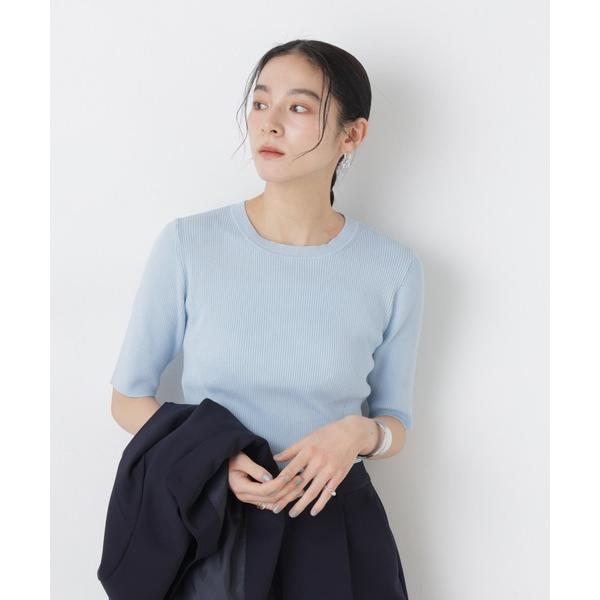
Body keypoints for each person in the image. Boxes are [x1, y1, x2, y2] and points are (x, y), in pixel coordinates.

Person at [109, 39, 424, 598]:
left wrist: (361, 433)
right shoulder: (189, 244)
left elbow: (393, 422)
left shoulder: (393, 268)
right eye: (260, 103)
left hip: (337, 530)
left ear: (351, 135)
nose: (269, 123)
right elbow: (128, 398)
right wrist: (210, 460)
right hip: (215, 527)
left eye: (298, 107)